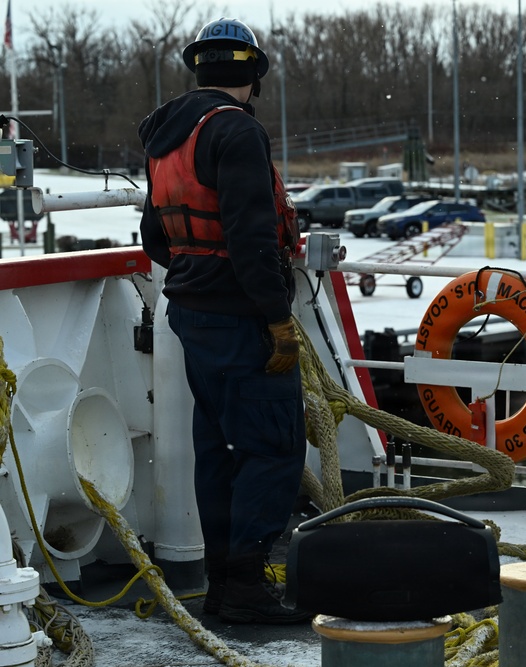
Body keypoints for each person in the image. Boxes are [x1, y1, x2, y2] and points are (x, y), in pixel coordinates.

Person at [138, 17, 310, 624]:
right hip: (240, 318)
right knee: (271, 447)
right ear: (253, 75)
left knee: (218, 449)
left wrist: (194, 276)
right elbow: (251, 237)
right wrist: (277, 319)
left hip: (189, 312)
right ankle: (245, 590)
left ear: (198, 69)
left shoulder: (163, 132)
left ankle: (220, 584)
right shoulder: (235, 132)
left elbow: (155, 235)